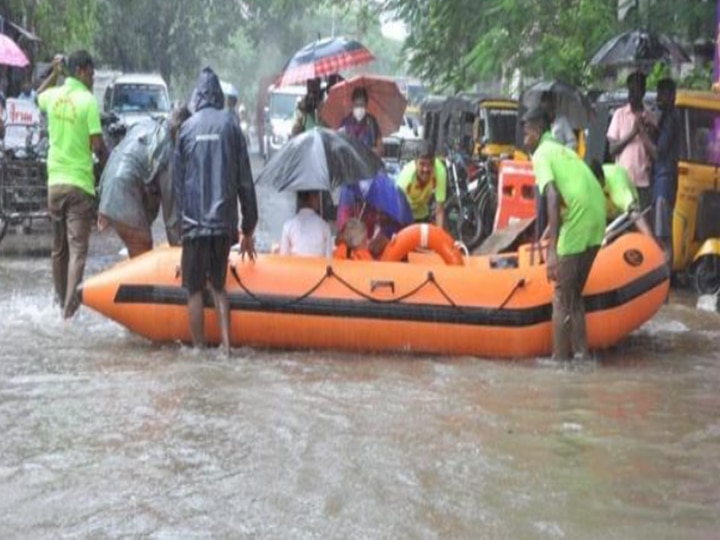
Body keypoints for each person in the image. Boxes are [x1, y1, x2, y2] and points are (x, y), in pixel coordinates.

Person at [174, 67, 258, 353]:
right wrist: (249, 226)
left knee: (194, 289)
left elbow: (177, 186)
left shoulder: (186, 128)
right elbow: (245, 181)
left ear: (197, 96)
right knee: (219, 287)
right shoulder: (231, 126)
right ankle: (226, 348)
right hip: (223, 224)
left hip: (194, 224)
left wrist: (178, 230)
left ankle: (198, 349)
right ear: (219, 96)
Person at [523, 107, 606, 360]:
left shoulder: (541, 154)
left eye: (526, 132)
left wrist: (551, 251)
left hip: (579, 220)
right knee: (574, 296)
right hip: (598, 216)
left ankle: (559, 364)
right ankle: (581, 356)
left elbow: (552, 194)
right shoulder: (562, 149)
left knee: (560, 296)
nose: (524, 138)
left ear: (537, 131)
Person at [37, 51, 108, 319]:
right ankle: (68, 312)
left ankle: (59, 303)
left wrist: (54, 74)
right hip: (79, 186)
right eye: (90, 73)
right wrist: (107, 159)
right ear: (80, 71)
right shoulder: (87, 101)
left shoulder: (54, 96)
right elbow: (97, 145)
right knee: (78, 249)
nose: (92, 78)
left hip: (54, 184)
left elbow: (36, 97)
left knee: (59, 249)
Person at [97, 106, 191, 257]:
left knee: (139, 243)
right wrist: (180, 250)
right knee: (143, 245)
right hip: (123, 191)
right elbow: (171, 210)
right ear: (180, 131)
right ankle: (136, 280)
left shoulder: (144, 124)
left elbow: (120, 150)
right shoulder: (167, 149)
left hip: (109, 184)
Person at [607, 71, 656, 211]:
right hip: (622, 181)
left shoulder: (650, 117)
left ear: (643, 91)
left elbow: (655, 152)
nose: (632, 94)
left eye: (636, 90)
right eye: (630, 90)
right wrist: (632, 133)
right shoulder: (619, 115)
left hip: (643, 182)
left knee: (642, 221)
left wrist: (644, 130)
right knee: (623, 224)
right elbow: (612, 149)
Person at [644, 78, 680, 263]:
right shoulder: (666, 117)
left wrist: (641, 132)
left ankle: (665, 278)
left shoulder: (672, 117)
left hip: (664, 182)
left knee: (663, 236)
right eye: (658, 94)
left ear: (672, 96)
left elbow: (658, 152)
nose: (659, 98)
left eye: (663, 94)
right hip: (659, 180)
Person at [590, 160, 653, 237]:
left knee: (638, 233)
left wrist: (649, 238)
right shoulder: (587, 188)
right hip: (607, 218)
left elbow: (633, 212)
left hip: (627, 214)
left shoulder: (617, 181)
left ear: (601, 179)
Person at [396, 140, 446, 228]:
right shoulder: (406, 177)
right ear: (415, 163)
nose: (426, 169)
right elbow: (397, 209)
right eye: (422, 164)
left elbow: (439, 211)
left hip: (423, 214)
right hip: (404, 214)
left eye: (430, 164)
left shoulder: (440, 172)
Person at [280, 190, 332, 257]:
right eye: (317, 196)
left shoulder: (288, 226)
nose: (319, 200)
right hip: (318, 267)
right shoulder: (324, 226)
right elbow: (329, 260)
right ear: (312, 197)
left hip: (295, 266)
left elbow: (284, 258)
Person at [340, 86, 383, 156]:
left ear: (366, 105)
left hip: (368, 164)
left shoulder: (372, 122)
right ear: (352, 104)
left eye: (361, 105)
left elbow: (381, 148)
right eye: (356, 105)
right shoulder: (345, 123)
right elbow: (339, 148)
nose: (359, 108)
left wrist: (373, 151)